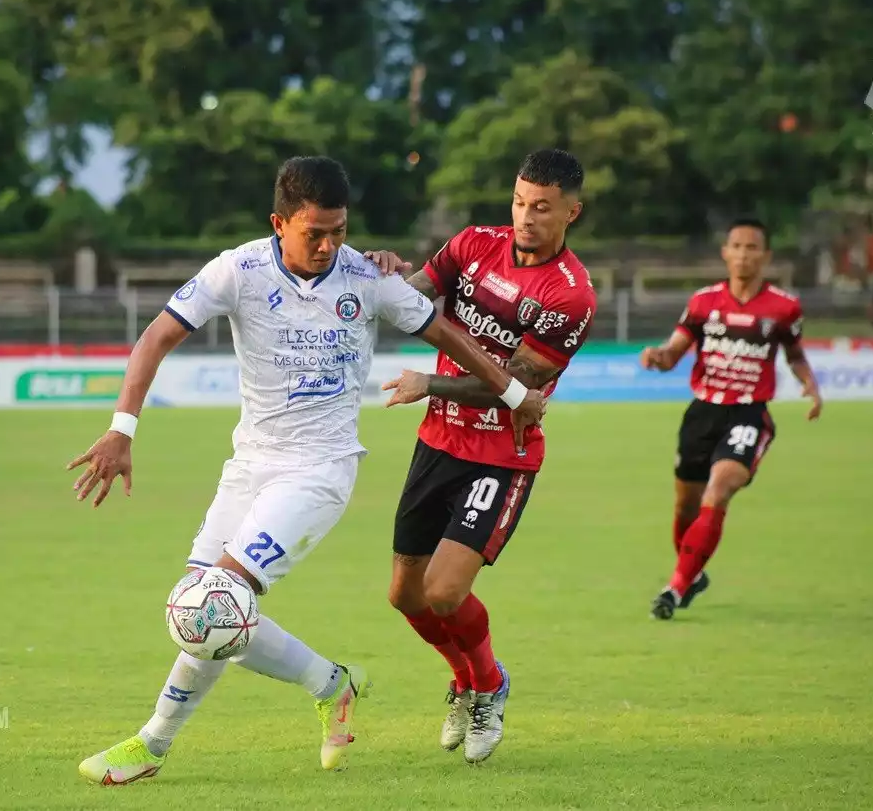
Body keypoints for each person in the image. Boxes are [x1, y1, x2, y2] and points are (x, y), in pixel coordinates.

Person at [66, 156, 547, 785]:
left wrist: (512, 393)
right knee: (201, 608)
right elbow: (156, 337)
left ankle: (153, 744)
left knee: (216, 601)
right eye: (313, 233)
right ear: (279, 223)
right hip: (249, 465)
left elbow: (448, 334)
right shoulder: (237, 269)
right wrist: (121, 430)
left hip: (319, 471)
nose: (328, 246)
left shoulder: (364, 279)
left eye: (339, 231)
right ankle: (332, 683)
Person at [364, 148, 597, 764]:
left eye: (542, 207)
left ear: (573, 212)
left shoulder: (569, 295)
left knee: (443, 591)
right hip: (437, 441)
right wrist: (377, 273)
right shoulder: (471, 245)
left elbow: (515, 385)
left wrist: (430, 383)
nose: (526, 216)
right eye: (520, 201)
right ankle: (464, 682)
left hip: (501, 456)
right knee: (404, 595)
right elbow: (408, 300)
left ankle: (490, 685)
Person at [639, 218, 823, 621]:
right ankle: (692, 572)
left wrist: (809, 384)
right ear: (725, 252)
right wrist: (658, 356)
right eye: (736, 246)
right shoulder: (704, 303)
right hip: (702, 412)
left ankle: (674, 588)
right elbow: (674, 351)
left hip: (748, 413)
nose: (743, 254)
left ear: (766, 256)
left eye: (752, 247)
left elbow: (794, 353)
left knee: (718, 489)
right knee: (685, 507)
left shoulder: (784, 307)